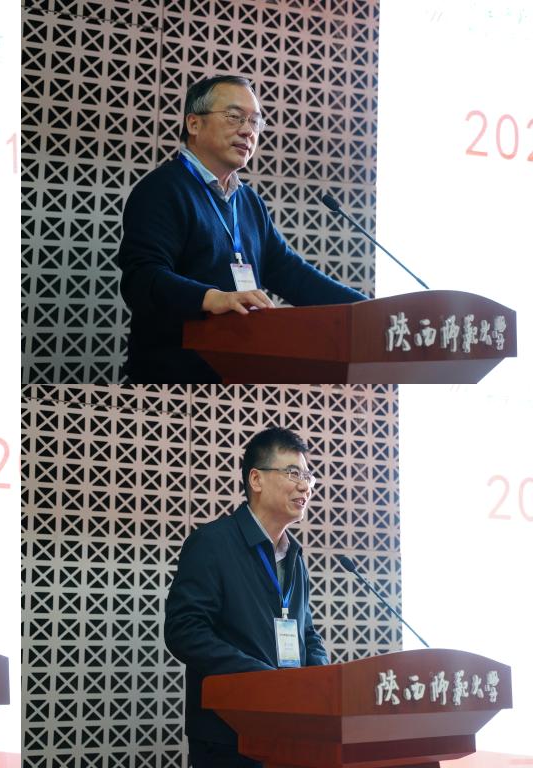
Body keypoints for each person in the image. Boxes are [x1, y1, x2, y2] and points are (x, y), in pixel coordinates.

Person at [116, 75, 368, 383]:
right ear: (194, 124)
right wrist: (213, 299)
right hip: (171, 385)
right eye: (235, 117)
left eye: (255, 122)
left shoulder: (248, 202)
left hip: (241, 385)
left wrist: (368, 311)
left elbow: (293, 274)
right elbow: (142, 279)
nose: (248, 131)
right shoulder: (163, 189)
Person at [164, 427, 329, 768]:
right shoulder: (212, 543)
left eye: (308, 476)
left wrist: (324, 682)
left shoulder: (294, 556)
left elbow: (306, 633)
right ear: (256, 479)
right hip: (230, 736)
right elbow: (185, 631)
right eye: (293, 473)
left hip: (292, 730)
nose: (305, 486)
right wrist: (262, 679)